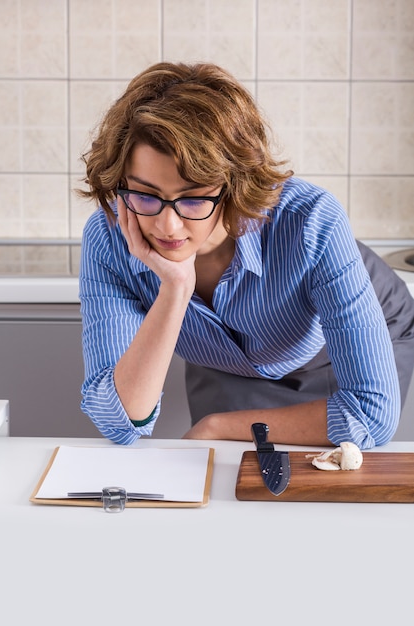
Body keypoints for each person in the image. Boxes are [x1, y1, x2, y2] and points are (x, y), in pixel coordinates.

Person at [78, 61, 414, 449]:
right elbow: (119, 422)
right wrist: (175, 287)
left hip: (332, 349)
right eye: (145, 194)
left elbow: (370, 415)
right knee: (230, 480)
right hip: (227, 361)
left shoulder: (312, 220)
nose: (167, 227)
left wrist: (218, 426)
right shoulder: (109, 236)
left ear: (235, 186)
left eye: (194, 197)